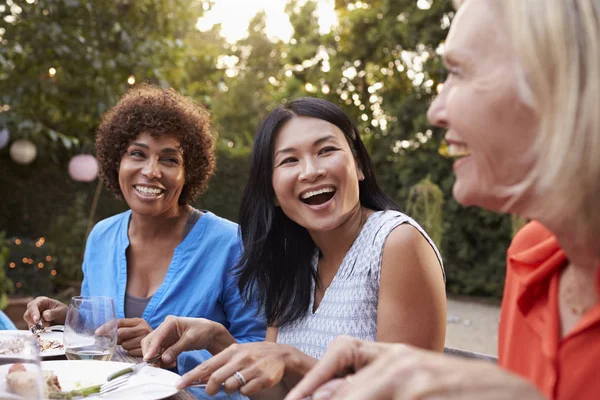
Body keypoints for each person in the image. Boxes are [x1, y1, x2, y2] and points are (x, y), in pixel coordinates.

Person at [285, 0, 600, 399]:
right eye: (288, 160)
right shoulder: (531, 260)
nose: (436, 110)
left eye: (458, 72)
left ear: (566, 81)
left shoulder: (393, 240)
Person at [141, 97, 446, 398]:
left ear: (360, 166)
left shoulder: (396, 242)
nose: (310, 171)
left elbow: (401, 393)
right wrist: (218, 340)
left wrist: (293, 360)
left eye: (326, 150)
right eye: (289, 160)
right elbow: (281, 394)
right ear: (272, 191)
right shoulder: (291, 260)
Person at [23, 84, 265, 379]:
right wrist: (71, 321)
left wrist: (171, 352)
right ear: (117, 162)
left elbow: (258, 352)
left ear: (189, 172)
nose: (151, 170)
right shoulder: (101, 237)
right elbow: (98, 336)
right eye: (137, 154)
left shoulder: (230, 244)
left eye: (169, 159)